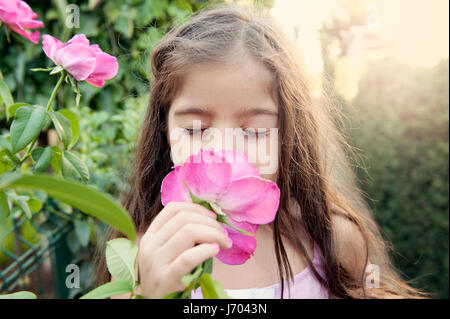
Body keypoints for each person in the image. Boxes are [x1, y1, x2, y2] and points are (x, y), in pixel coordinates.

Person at [96, 3, 425, 299]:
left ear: (289, 136)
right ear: (164, 132)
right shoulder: (142, 254)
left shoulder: (334, 242)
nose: (224, 150)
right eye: (196, 129)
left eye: (254, 131)